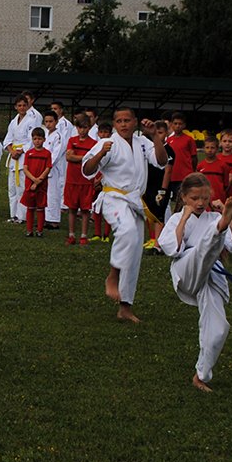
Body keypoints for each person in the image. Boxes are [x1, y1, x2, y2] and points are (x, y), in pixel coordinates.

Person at [158, 175, 232, 393]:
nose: (200, 203)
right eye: (194, 198)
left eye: (204, 198)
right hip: (186, 271)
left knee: (218, 329)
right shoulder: (178, 218)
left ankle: (201, 375)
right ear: (183, 197)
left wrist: (229, 218)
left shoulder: (211, 217)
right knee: (202, 249)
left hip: (210, 276)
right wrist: (183, 219)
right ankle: (220, 229)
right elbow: (172, 248)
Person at [82, 107, 167, 323]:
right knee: (127, 231)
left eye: (127, 120)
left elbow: (162, 161)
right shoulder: (106, 143)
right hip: (113, 198)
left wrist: (155, 137)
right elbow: (87, 169)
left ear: (135, 122)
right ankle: (112, 276)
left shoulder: (141, 142)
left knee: (134, 254)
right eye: (119, 121)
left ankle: (125, 306)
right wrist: (100, 154)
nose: (123, 124)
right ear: (114, 124)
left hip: (135, 201)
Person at [2, 94, 38, 223]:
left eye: (24, 105)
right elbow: (7, 140)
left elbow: (31, 139)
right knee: (12, 188)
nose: (22, 108)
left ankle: (22, 216)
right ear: (15, 107)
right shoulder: (13, 121)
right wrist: (11, 151)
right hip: (13, 157)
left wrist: (21, 150)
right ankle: (13, 215)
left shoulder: (31, 120)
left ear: (27, 106)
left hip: (24, 157)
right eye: (19, 105)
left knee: (22, 187)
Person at [64, 113, 97, 246]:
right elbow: (69, 157)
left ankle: (83, 236)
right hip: (72, 179)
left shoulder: (94, 143)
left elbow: (93, 160)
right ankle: (71, 235)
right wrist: (85, 157)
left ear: (89, 128)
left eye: (85, 128)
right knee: (72, 208)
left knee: (85, 210)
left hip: (86, 180)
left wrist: (77, 156)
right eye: (80, 128)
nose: (82, 130)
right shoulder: (72, 140)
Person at [142, 120, 174, 246]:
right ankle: (152, 238)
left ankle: (158, 244)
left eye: (160, 132)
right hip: (148, 185)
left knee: (159, 214)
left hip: (160, 187)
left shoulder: (168, 151)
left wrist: (163, 190)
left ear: (166, 133)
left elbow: (168, 171)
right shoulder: (150, 147)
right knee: (149, 212)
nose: (157, 135)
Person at [21, 127, 53, 237]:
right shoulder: (29, 153)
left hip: (41, 185)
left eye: (39, 138)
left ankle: (39, 230)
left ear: (44, 139)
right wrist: (33, 180)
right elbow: (25, 168)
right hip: (29, 184)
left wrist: (38, 181)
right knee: (30, 208)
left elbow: (48, 168)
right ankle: (29, 230)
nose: (37, 141)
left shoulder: (47, 153)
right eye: (35, 139)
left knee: (40, 208)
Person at [41, 111, 66, 229]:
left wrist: (47, 166)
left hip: (53, 169)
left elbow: (55, 155)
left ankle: (54, 221)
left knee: (53, 194)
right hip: (43, 168)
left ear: (56, 122)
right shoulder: (45, 135)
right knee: (45, 194)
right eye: (46, 121)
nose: (48, 124)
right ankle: (46, 219)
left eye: (51, 121)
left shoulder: (59, 136)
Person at [165, 112, 198, 199]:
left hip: (185, 175)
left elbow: (194, 157)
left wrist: (193, 171)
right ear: (171, 125)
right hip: (172, 175)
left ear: (184, 125)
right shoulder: (168, 140)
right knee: (173, 200)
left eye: (180, 124)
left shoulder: (189, 140)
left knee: (185, 199)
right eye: (175, 123)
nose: (178, 126)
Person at [196, 136, 229, 204]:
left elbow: (226, 185)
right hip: (204, 199)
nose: (210, 150)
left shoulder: (223, 165)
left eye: (212, 148)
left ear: (217, 149)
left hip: (219, 199)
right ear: (203, 149)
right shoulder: (200, 166)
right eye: (207, 147)